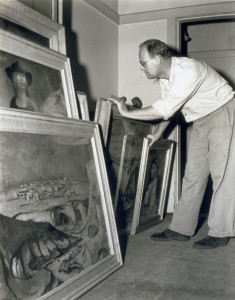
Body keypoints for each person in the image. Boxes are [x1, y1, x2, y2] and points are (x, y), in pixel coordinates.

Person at [108, 39, 235, 249]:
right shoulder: (166, 79)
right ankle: (181, 228)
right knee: (193, 175)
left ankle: (221, 231)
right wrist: (159, 132)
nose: (142, 70)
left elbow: (163, 109)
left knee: (222, 175)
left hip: (224, 112)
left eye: (143, 63)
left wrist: (126, 111)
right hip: (201, 119)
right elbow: (171, 108)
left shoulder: (189, 70)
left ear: (157, 59)